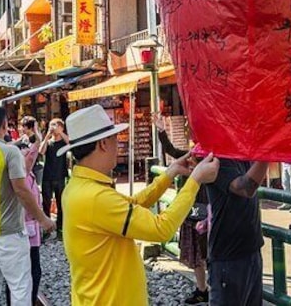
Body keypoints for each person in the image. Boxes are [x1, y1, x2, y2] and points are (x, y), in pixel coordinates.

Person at [62, 105, 219, 306]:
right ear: (103, 144)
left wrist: (170, 173)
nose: (117, 145)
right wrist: (195, 180)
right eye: (114, 139)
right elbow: (161, 228)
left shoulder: (80, 187)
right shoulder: (95, 196)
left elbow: (131, 205)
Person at [0, 105, 55, 306]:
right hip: (9, 230)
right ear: (5, 125)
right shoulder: (10, 152)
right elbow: (21, 189)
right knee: (20, 285)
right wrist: (43, 219)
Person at [155, 115, 210, 305]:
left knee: (207, 254)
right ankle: (202, 289)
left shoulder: (213, 158)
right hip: (193, 210)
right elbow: (170, 150)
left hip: (207, 212)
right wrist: (161, 130)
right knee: (197, 255)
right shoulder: (191, 154)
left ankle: (213, 290)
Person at [205, 154, 268, 306]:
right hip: (228, 258)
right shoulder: (217, 158)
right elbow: (245, 188)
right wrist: (267, 154)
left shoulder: (242, 155)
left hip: (252, 251)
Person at [16, 126, 43, 304]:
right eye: (26, 155)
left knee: (31, 271)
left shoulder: (27, 174)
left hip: (30, 231)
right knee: (29, 271)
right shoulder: (22, 178)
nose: (30, 156)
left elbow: (34, 152)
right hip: (25, 231)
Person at [39, 118, 69, 237]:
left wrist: (60, 133)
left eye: (55, 125)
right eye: (51, 125)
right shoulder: (49, 142)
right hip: (47, 176)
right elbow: (41, 152)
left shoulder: (63, 142)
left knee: (61, 204)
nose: (53, 127)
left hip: (60, 176)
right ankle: (47, 229)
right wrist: (47, 137)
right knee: (46, 204)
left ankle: (60, 229)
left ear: (61, 127)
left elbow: (70, 144)